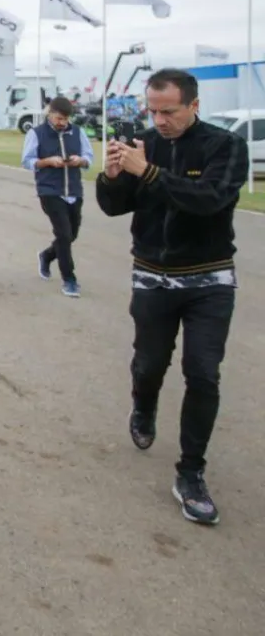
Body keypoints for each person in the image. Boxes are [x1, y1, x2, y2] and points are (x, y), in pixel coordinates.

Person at [96, 68, 248, 527]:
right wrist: (113, 175)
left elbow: (208, 200)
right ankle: (144, 404)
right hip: (152, 276)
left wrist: (151, 172)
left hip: (209, 278)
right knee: (149, 364)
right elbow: (113, 206)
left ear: (194, 106)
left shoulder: (225, 146)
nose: (160, 120)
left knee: (202, 373)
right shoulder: (145, 144)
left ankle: (191, 472)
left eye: (170, 111)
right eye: (153, 110)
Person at [23, 96, 94, 298]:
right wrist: (47, 162)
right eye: (58, 118)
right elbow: (27, 161)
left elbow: (89, 158)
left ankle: (47, 255)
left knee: (71, 235)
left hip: (73, 190)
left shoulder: (77, 132)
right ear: (50, 113)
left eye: (65, 119)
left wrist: (80, 160)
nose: (61, 122)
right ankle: (69, 279)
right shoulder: (36, 134)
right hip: (49, 191)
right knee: (63, 234)